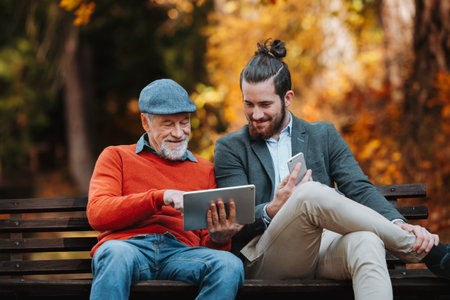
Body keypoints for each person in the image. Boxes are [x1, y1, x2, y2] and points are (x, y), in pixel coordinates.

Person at [214, 39, 450, 300]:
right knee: (310, 193)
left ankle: (408, 241)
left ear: (287, 98)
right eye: (249, 104)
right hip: (266, 256)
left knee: (367, 242)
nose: (255, 114)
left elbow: (358, 188)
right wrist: (272, 209)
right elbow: (236, 216)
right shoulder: (230, 147)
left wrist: (398, 223)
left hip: (327, 248)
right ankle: (424, 251)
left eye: (265, 105)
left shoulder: (323, 135)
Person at [87, 79, 244, 300]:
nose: (179, 133)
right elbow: (98, 214)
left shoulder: (206, 170)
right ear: (145, 122)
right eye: (168, 124)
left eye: (185, 122)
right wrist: (160, 197)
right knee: (114, 253)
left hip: (182, 254)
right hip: (128, 248)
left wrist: (219, 238)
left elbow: (208, 246)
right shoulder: (116, 156)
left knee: (229, 265)